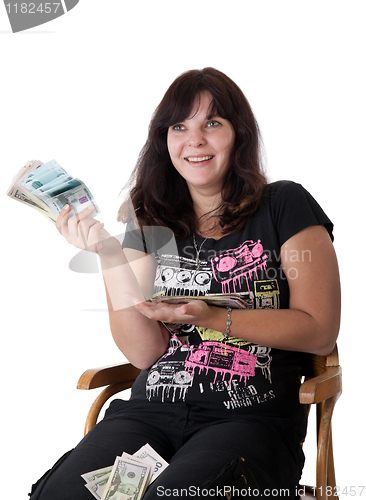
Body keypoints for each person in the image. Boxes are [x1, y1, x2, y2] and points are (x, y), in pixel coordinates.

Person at [29, 68, 341, 499]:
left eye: (212, 123)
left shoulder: (284, 205)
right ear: (165, 141)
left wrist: (212, 316)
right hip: (149, 415)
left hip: (249, 420)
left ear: (239, 135)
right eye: (180, 127)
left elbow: (320, 331)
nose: (195, 140)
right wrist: (109, 254)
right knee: (64, 495)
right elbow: (145, 350)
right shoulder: (149, 217)